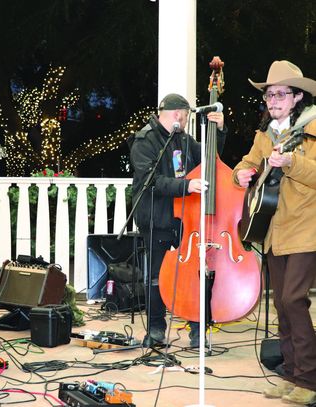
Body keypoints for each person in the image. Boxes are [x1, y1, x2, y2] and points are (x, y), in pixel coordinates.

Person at [233, 60, 316, 405]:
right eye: (269, 94)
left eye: (281, 93)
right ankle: (291, 373)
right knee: (281, 304)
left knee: (293, 301)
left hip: (306, 227)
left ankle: (309, 381)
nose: (273, 99)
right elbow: (247, 163)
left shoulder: (311, 132)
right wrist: (241, 173)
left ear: (297, 96)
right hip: (272, 229)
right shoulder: (265, 136)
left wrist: (292, 163)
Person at [127, 93, 226, 348]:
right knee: (156, 276)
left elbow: (209, 159)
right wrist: (186, 185)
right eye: (184, 115)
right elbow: (152, 181)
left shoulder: (183, 137)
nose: (185, 120)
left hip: (185, 219)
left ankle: (197, 331)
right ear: (177, 114)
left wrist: (220, 132)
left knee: (194, 274)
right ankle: (157, 329)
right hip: (156, 217)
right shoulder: (144, 140)